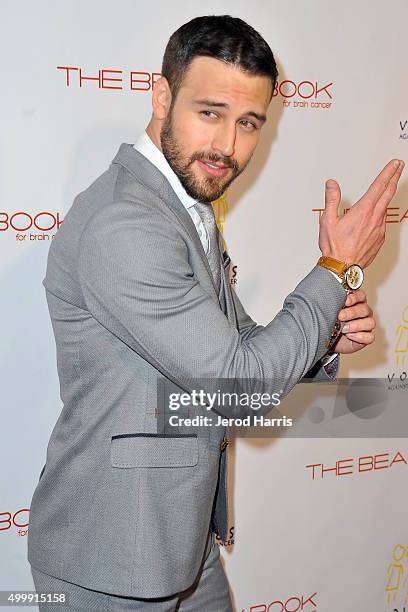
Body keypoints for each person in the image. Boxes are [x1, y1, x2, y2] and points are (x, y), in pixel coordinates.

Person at [27, 14, 404, 612]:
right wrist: (334, 271)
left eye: (248, 123)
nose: (227, 146)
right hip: (111, 560)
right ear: (161, 95)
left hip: (182, 539)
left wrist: (326, 336)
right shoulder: (126, 223)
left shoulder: (185, 208)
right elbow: (238, 386)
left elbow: (241, 348)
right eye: (210, 113)